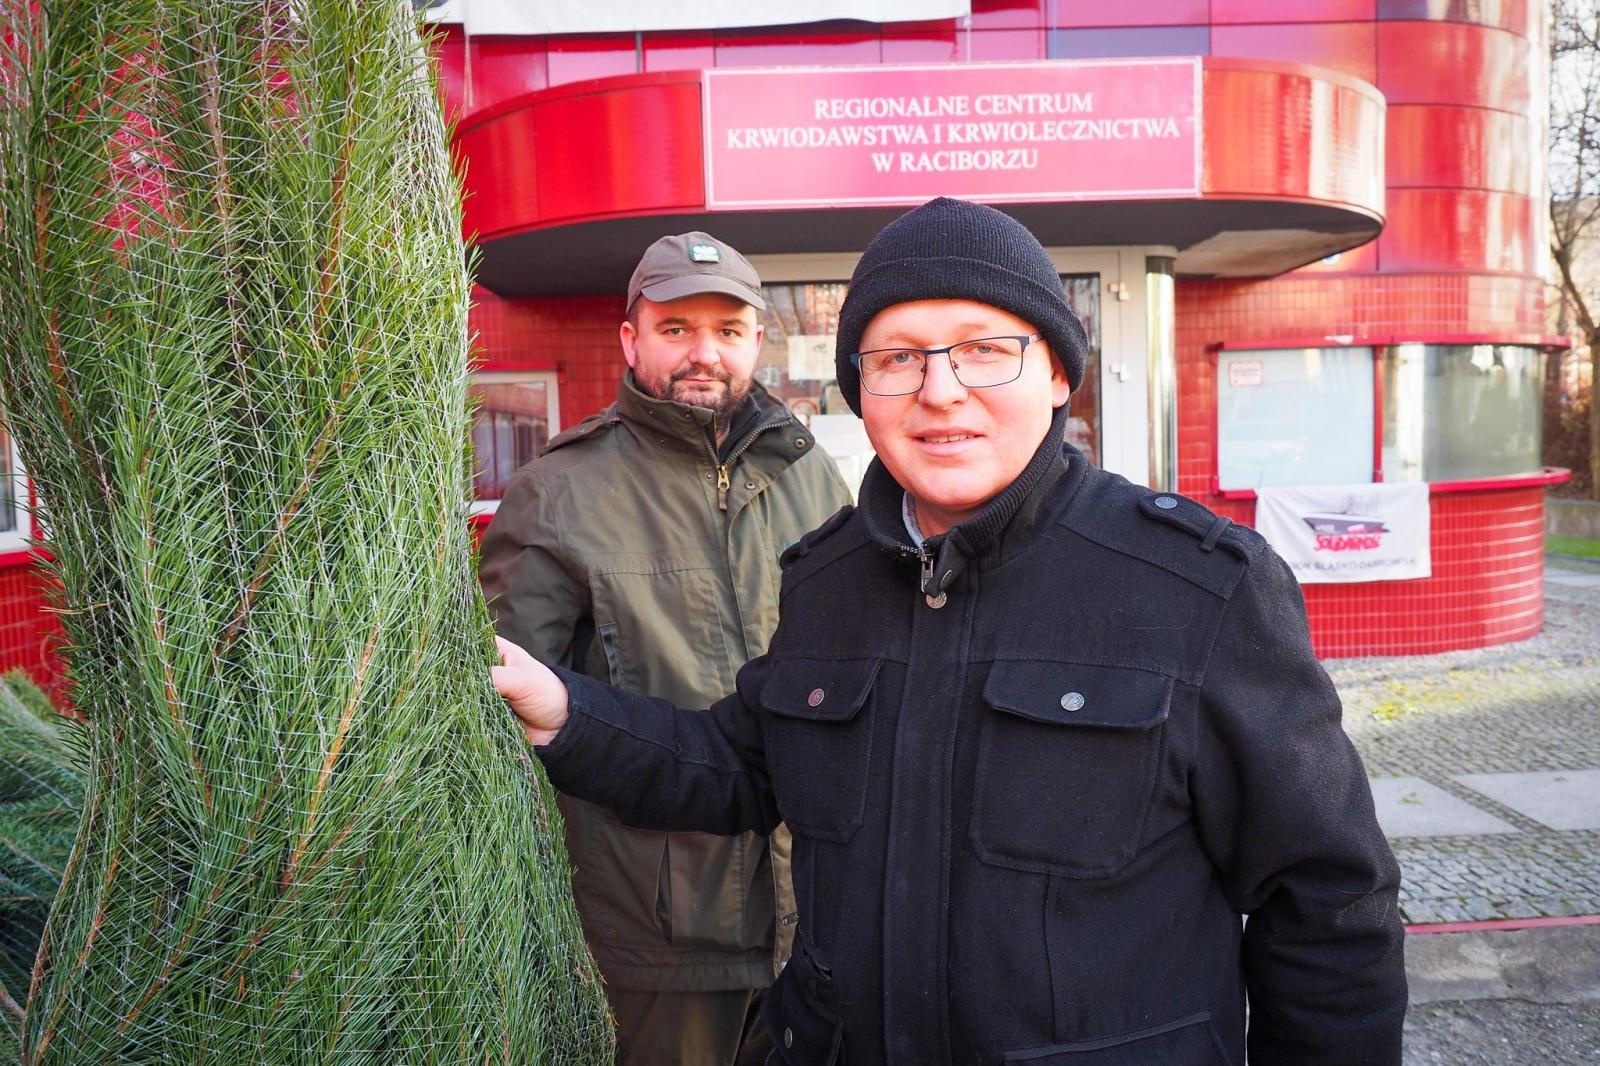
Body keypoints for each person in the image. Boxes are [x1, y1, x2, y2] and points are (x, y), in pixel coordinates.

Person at [493, 198, 1407, 1065]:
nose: (940, 391)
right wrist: (562, 710)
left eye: (983, 350)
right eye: (898, 358)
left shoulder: (1199, 589)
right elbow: (738, 766)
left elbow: (1325, 904)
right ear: (862, 389)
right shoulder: (828, 577)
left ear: (1055, 371)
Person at [478, 231, 853, 1065]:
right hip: (659, 935)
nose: (703, 352)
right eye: (676, 328)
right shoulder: (559, 491)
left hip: (816, 918)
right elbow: (497, 723)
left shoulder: (808, 473)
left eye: (726, 329)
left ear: (758, 338)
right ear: (631, 339)